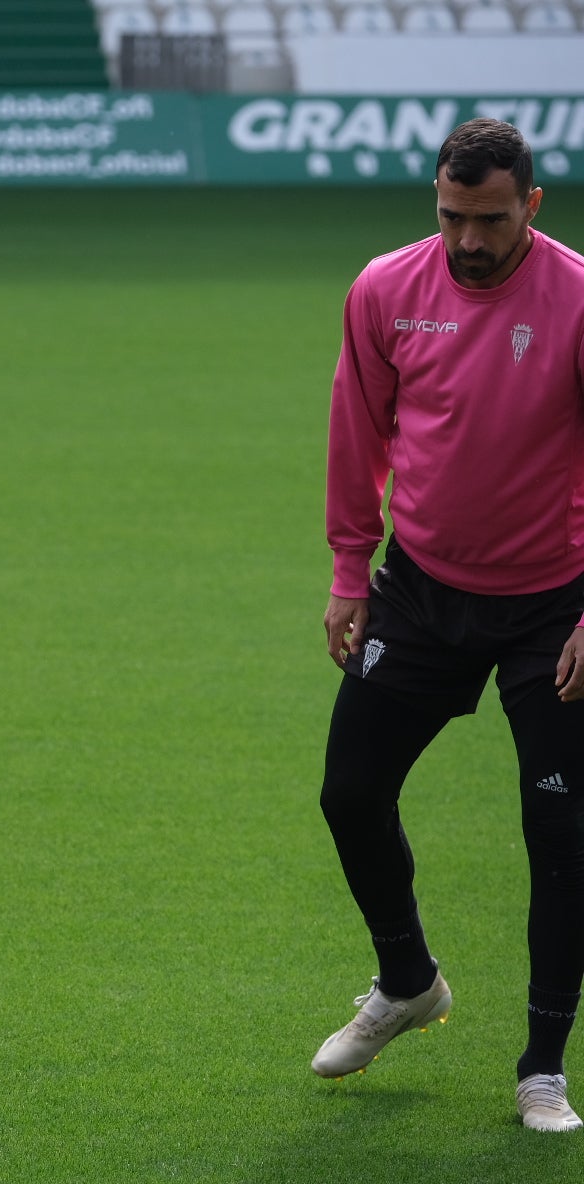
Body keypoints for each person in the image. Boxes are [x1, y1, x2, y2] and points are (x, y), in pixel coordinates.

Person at [315, 118, 584, 1132]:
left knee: (558, 833)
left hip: (553, 606)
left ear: (532, 206)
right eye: (452, 215)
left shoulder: (577, 297)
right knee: (350, 792)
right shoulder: (385, 287)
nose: (469, 239)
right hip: (419, 592)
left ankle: (542, 1068)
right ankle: (408, 980)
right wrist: (351, 571)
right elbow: (359, 429)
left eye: (492, 219)